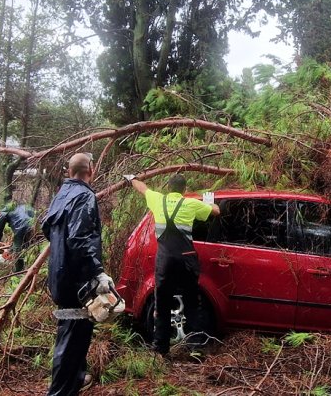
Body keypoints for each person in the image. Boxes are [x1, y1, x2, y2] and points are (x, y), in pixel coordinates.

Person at [125, 173, 220, 356]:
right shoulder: (191, 203)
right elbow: (216, 212)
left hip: (165, 260)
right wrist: (210, 203)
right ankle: (196, 348)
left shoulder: (157, 200)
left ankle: (160, 349)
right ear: (184, 190)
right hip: (186, 259)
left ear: (168, 188)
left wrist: (131, 179)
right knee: (192, 302)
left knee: (162, 303)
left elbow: (142, 188)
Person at [42, 152, 113, 395]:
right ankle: (60, 392)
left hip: (59, 275)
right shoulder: (84, 196)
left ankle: (77, 377)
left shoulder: (61, 194)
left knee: (74, 333)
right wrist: (98, 272)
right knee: (72, 339)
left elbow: (46, 227)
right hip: (76, 282)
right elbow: (80, 239)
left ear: (68, 172)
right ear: (90, 171)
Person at [0, 202, 34, 272]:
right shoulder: (20, 208)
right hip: (36, 226)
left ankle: (17, 274)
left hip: (22, 228)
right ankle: (20, 269)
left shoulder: (3, 214)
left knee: (17, 251)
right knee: (17, 247)